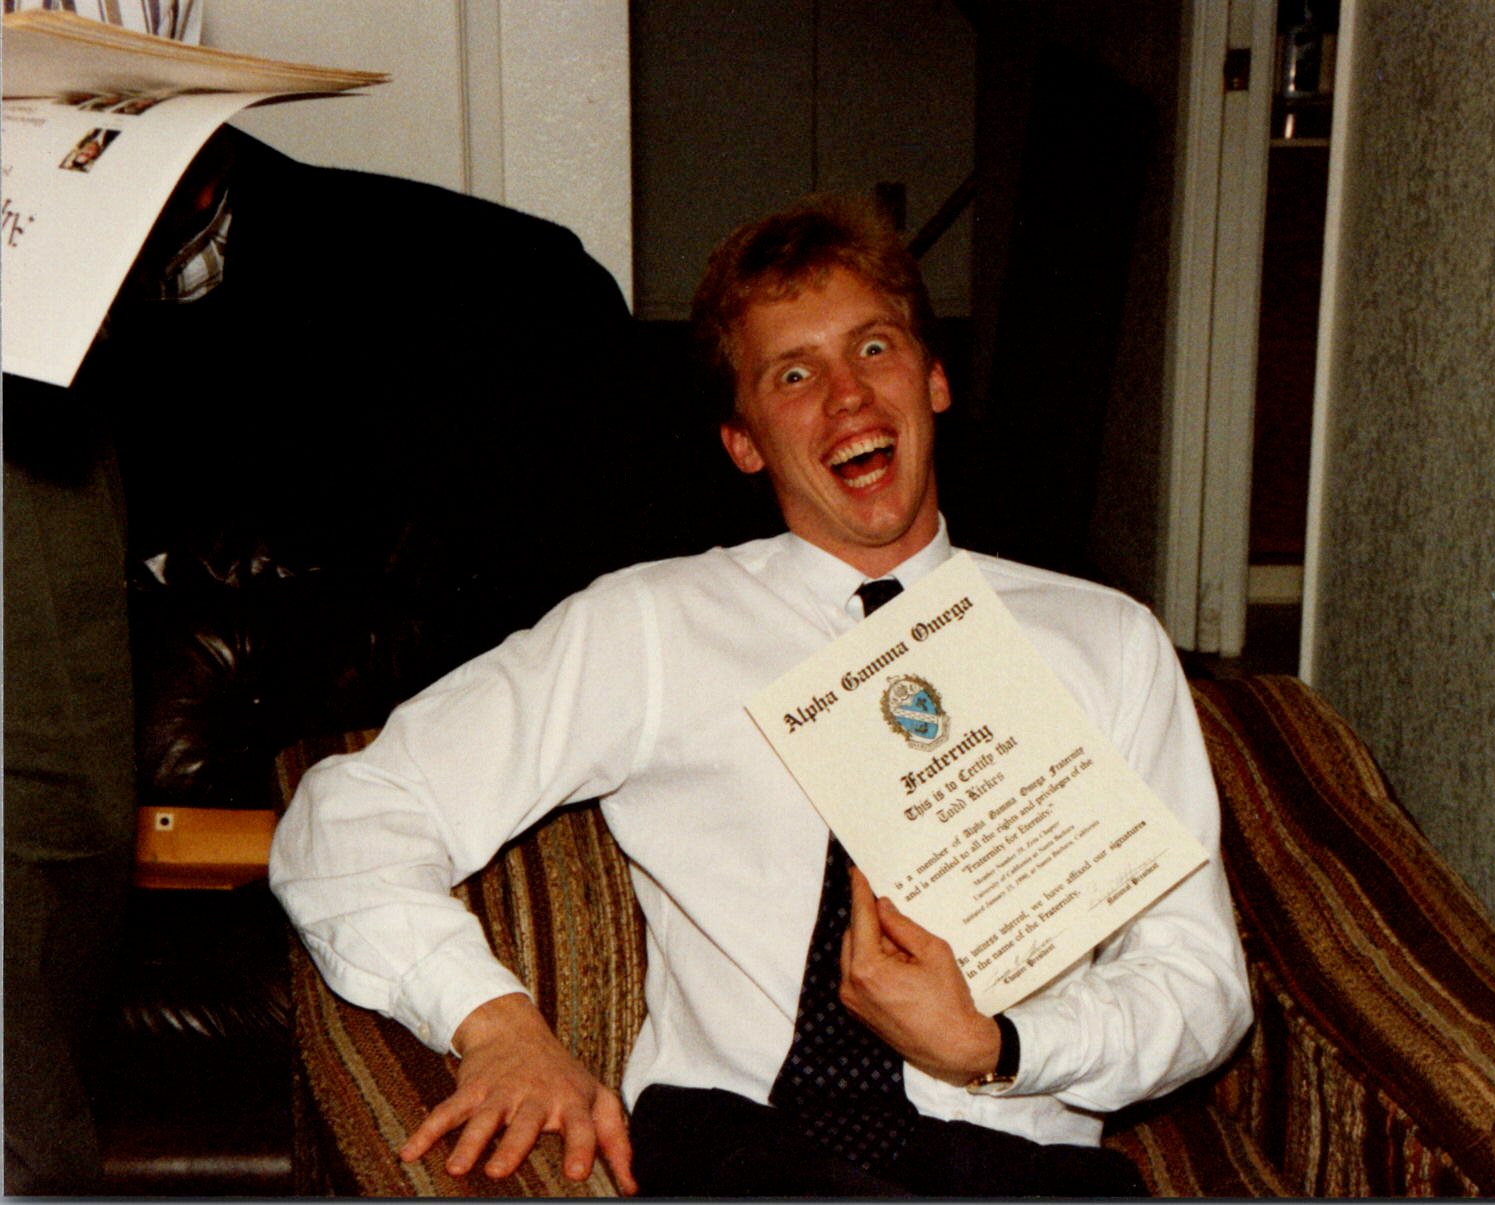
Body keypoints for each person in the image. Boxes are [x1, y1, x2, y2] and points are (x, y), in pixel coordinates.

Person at [269, 195, 1252, 1197]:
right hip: (742, 1148)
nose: (847, 397)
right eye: (793, 373)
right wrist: (494, 1022)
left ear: (935, 378)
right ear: (742, 441)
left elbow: (1200, 981)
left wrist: (999, 1044)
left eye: (874, 348)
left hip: (1016, 1163)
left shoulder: (1106, 641)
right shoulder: (652, 625)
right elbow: (349, 813)